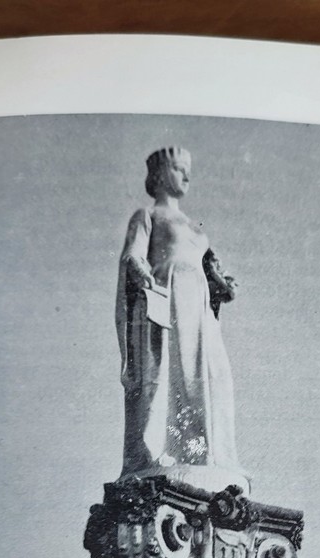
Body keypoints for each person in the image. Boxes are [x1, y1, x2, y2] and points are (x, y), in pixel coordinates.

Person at [115, 147, 246, 491]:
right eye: (179, 168)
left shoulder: (193, 226)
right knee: (167, 376)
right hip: (167, 301)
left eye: (188, 169)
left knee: (210, 379)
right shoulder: (148, 215)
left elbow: (213, 271)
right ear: (160, 174)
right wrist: (136, 266)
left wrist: (221, 285)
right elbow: (133, 252)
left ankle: (206, 454)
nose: (187, 176)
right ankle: (159, 453)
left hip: (199, 308)